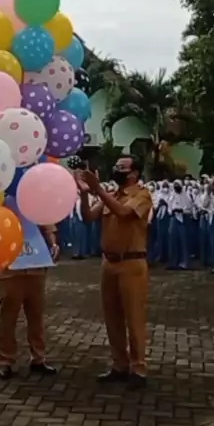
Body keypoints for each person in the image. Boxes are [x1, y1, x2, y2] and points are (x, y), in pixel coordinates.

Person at [76, 155, 152, 388]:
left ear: (134, 173)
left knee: (134, 318)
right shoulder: (113, 195)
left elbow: (123, 213)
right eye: (116, 166)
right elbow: (88, 217)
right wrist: (86, 193)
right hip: (109, 263)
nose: (116, 170)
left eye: (122, 167)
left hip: (132, 263)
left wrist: (98, 189)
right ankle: (119, 365)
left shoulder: (141, 195)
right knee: (112, 318)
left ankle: (138, 368)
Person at [0, 223, 59, 380]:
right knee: (8, 317)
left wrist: (53, 244)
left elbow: (47, 225)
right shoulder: (2, 208)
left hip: (36, 267)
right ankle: (6, 360)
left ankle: (38, 357)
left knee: (36, 315)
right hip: (10, 268)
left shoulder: (35, 208)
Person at [167, 179, 191, 270]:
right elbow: (169, 208)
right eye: (175, 185)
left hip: (183, 220)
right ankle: (173, 262)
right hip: (174, 219)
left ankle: (184, 262)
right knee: (173, 240)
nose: (176, 187)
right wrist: (172, 211)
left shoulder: (186, 196)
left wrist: (182, 210)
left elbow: (189, 209)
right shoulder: (172, 195)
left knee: (183, 241)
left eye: (178, 186)